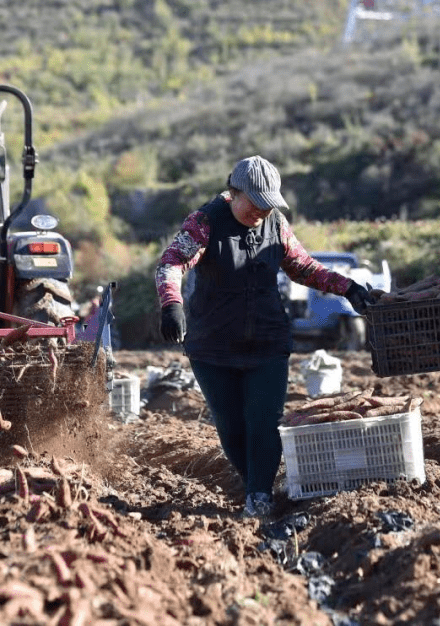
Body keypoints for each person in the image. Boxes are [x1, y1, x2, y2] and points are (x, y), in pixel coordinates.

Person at [154, 155, 375, 518]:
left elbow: (303, 265)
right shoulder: (205, 222)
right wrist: (171, 304)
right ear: (235, 192)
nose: (262, 210)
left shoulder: (275, 223)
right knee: (231, 426)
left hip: (267, 340)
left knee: (264, 420)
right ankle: (255, 485)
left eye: (268, 203)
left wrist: (346, 287)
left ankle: (260, 496)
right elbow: (172, 262)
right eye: (256, 202)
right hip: (213, 344)